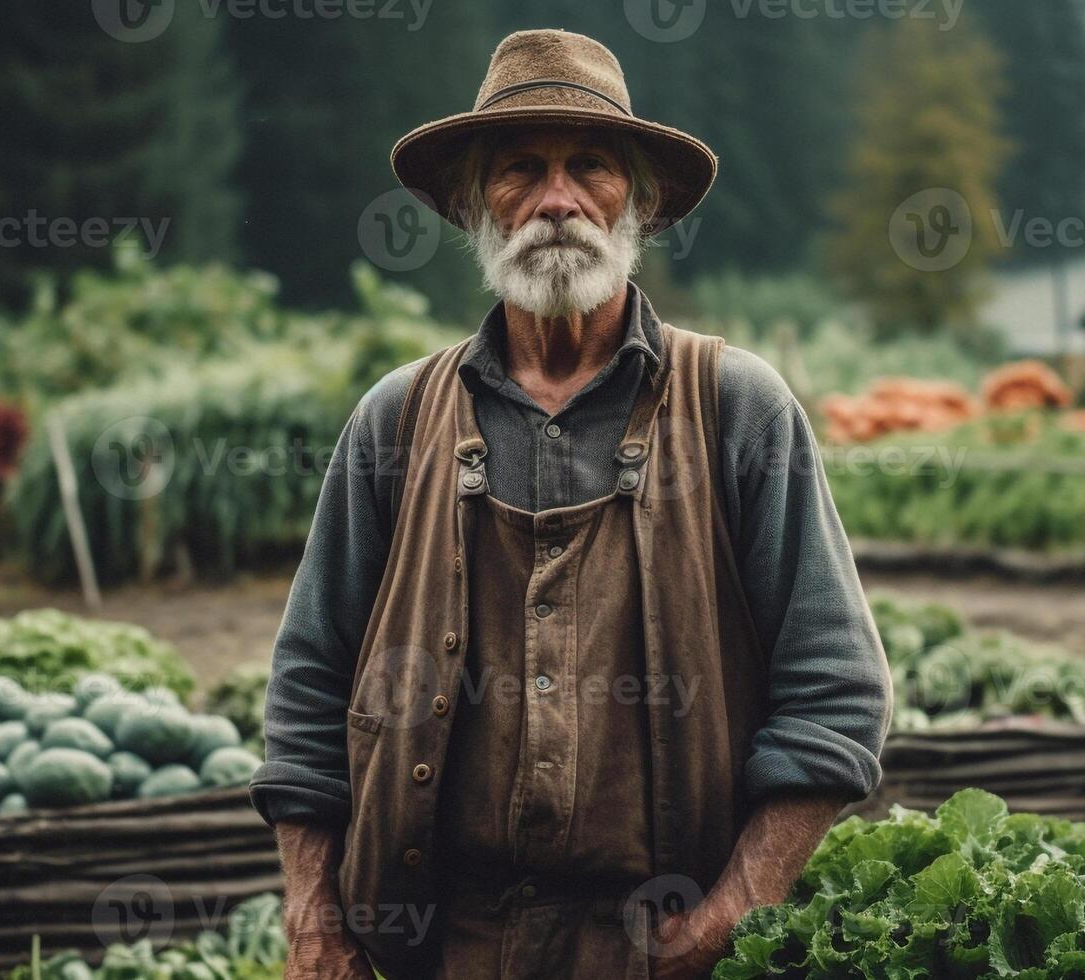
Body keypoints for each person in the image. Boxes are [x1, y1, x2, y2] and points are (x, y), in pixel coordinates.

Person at [250, 28, 891, 980]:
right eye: (518, 170)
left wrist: (728, 918)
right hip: (444, 952)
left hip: (666, 952)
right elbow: (308, 693)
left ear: (638, 197)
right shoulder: (397, 419)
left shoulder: (735, 406)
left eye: (589, 164)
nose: (556, 199)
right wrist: (313, 924)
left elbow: (836, 699)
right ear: (475, 203)